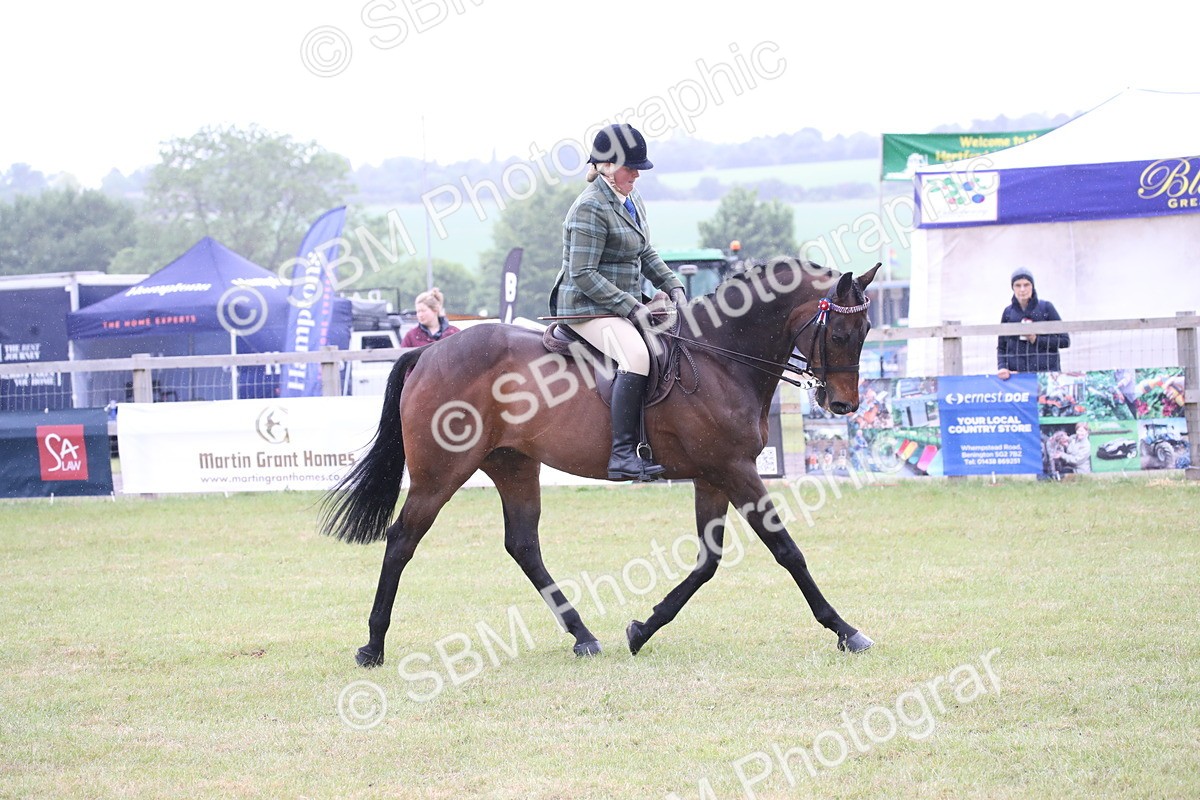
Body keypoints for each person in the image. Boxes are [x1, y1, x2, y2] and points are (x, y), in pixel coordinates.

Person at [548, 123, 687, 481]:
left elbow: (645, 251)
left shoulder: (630, 198)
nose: (637, 174)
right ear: (607, 166)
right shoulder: (590, 207)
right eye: (630, 167)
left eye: (638, 168)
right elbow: (582, 273)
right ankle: (623, 454)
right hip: (586, 307)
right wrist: (632, 307)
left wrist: (672, 285)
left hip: (620, 303)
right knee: (636, 356)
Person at [996, 268, 1070, 378]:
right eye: (1018, 285)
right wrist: (1002, 367)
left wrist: (1036, 339)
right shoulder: (1008, 313)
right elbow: (1002, 347)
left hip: (1046, 376)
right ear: (1012, 287)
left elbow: (1065, 341)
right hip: (1017, 379)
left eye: (1026, 285)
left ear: (1032, 286)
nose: (1022, 289)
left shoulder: (1046, 308)